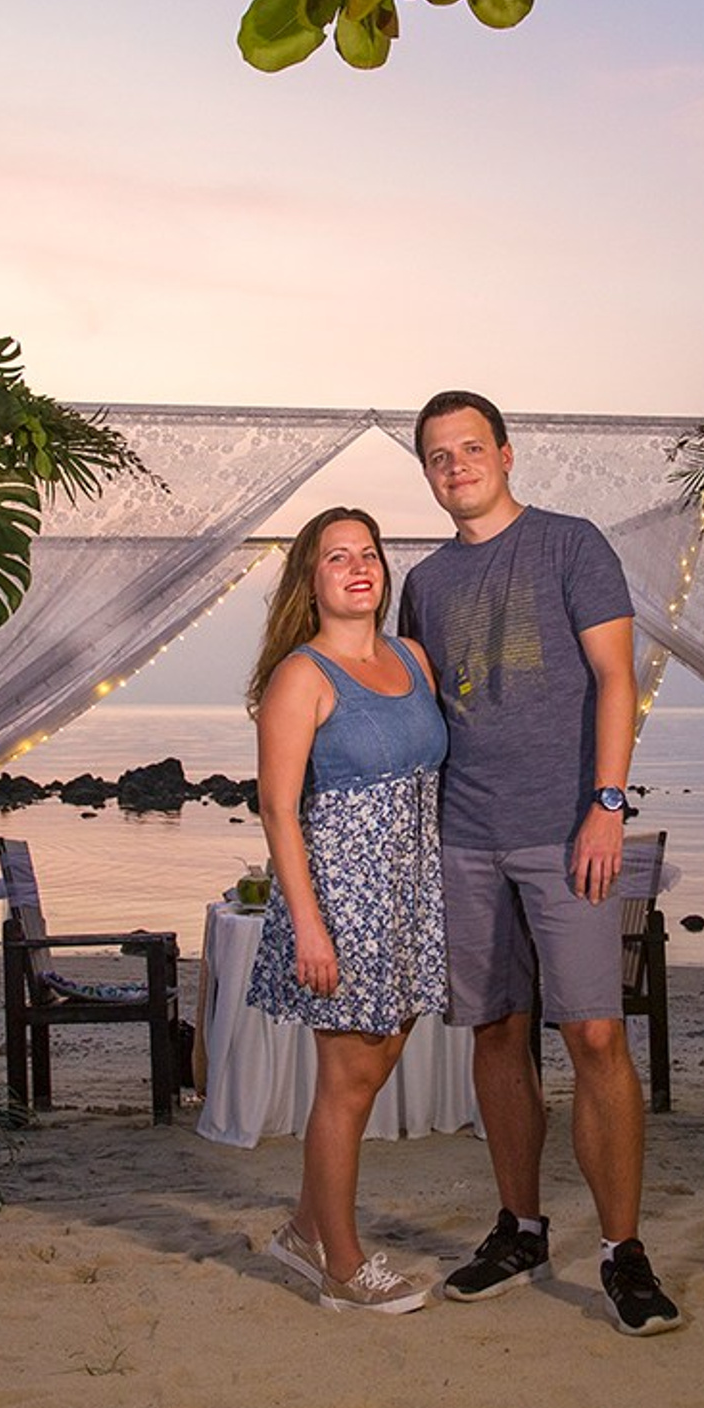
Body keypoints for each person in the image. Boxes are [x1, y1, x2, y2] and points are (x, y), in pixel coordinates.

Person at [398, 391, 683, 1337]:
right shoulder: (426, 585)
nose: (455, 467)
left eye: (470, 448)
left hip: (568, 832)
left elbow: (617, 679)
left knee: (595, 1035)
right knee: (494, 1032)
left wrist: (607, 806)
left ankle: (622, 1253)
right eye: (437, 456)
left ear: (507, 455)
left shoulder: (571, 545)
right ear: (428, 473)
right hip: (464, 838)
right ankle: (520, 1227)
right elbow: (423, 711)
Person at [244, 506, 447, 1315]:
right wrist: (309, 921)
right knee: (348, 1082)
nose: (359, 567)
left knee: (374, 1064)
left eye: (369, 554)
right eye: (337, 557)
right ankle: (343, 1265)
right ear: (311, 579)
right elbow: (278, 809)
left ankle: (302, 1231)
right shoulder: (302, 676)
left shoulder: (415, 658)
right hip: (341, 895)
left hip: (407, 892)